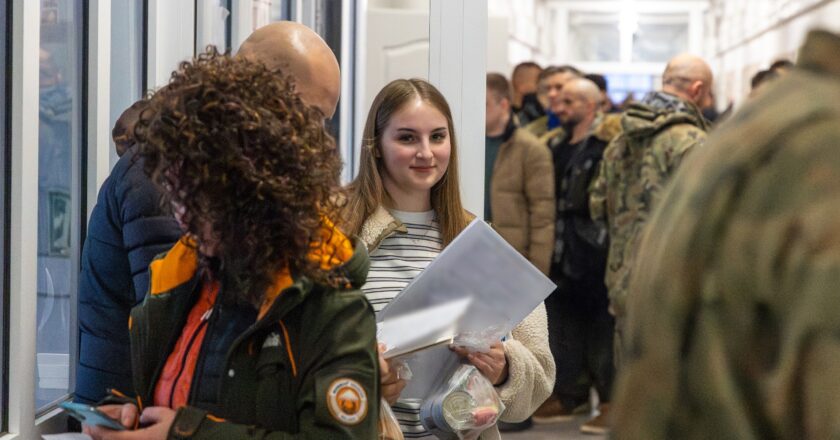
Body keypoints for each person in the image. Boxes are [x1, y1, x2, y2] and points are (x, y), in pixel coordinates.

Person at [84, 50, 378, 439]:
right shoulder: (177, 288)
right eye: (175, 193)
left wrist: (188, 434)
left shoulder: (332, 313)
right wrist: (128, 414)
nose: (181, 214)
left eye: (196, 196)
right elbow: (170, 403)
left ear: (249, 190)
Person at [612, 29, 840, 440]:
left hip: (628, 282)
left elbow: (602, 202)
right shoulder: (822, 143)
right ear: (699, 90)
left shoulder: (753, 127)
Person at [342, 78, 554, 440]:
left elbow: (540, 375)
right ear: (376, 145)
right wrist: (360, 375)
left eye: (437, 137)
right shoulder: (337, 233)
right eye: (407, 138)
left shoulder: (479, 243)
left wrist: (505, 368)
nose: (426, 153)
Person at [590, 53, 713, 368]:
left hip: (624, 285)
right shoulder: (693, 142)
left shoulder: (620, 139)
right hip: (675, 292)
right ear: (698, 89)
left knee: (629, 382)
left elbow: (597, 206)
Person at [75, 99, 183, 406]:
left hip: (115, 386)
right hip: (126, 396)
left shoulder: (138, 174)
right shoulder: (149, 177)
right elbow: (161, 308)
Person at [533, 79, 614, 434]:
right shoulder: (553, 145)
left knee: (602, 329)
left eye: (570, 101)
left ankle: (610, 401)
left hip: (595, 249)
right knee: (565, 325)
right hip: (561, 247)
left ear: (591, 105)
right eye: (559, 100)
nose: (559, 106)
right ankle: (571, 394)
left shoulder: (607, 145)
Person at [485, 73, 555, 432]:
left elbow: (543, 215)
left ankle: (515, 413)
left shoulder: (530, 149)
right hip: (474, 257)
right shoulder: (464, 144)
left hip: (513, 260)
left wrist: (535, 275)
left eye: (484, 104)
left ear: (503, 104)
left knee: (516, 346)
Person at [525, 65, 582, 142]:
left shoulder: (595, 132)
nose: (551, 94)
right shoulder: (530, 132)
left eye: (559, 87)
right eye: (547, 89)